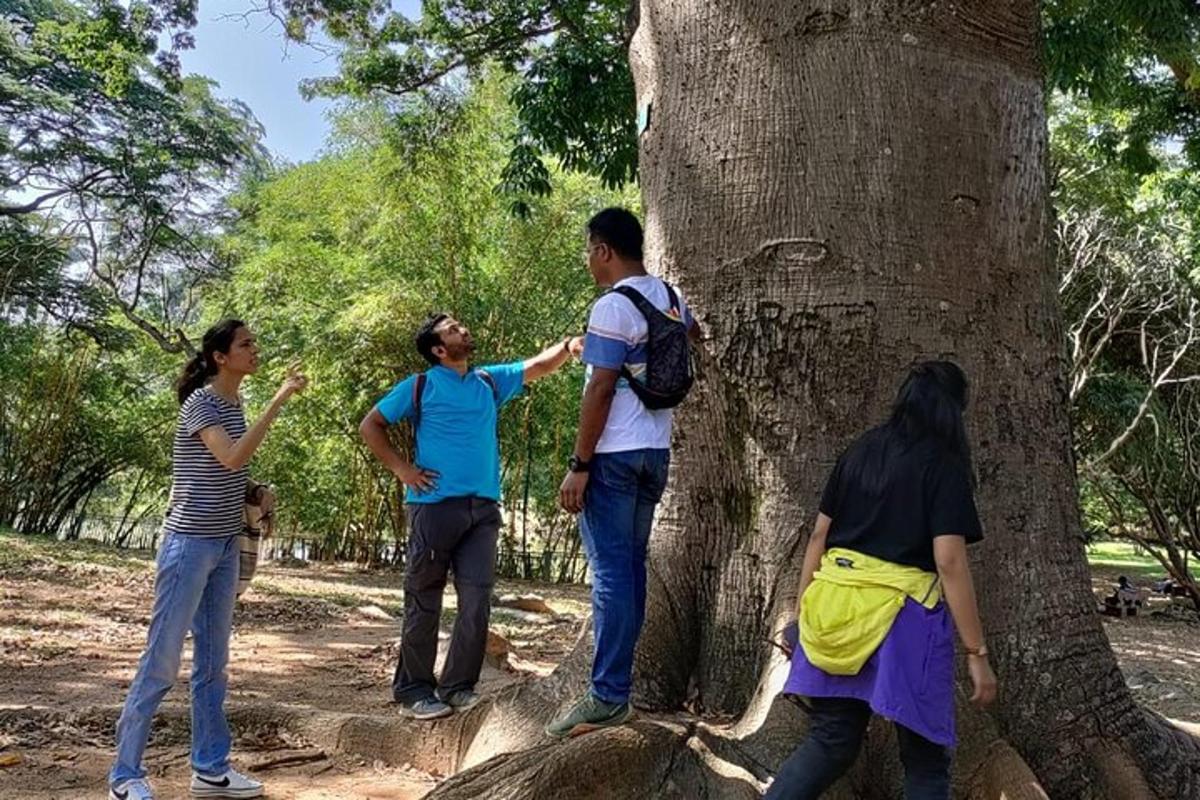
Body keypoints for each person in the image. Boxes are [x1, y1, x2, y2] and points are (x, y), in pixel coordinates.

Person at [767, 361, 998, 800]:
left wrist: (802, 615)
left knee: (831, 742)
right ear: (953, 410)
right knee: (926, 760)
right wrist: (976, 652)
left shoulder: (861, 450)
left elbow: (819, 535)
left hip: (833, 608)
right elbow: (949, 560)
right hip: (903, 618)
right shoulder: (943, 465)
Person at [109, 320, 308, 800]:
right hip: (188, 546)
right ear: (221, 356)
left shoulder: (234, 404)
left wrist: (258, 494)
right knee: (162, 659)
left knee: (214, 663)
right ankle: (124, 776)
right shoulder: (202, 403)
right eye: (246, 345)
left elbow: (229, 475)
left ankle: (211, 768)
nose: (254, 350)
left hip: (222, 547)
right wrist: (280, 399)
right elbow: (233, 457)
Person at [360, 314, 582, 720]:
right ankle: (413, 691)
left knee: (476, 600)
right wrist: (402, 470)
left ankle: (459, 686)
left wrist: (568, 347)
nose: (463, 329)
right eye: (452, 330)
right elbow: (371, 424)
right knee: (424, 598)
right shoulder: (420, 385)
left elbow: (537, 366)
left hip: (483, 509)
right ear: (439, 350)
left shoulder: (487, 382)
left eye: (462, 325)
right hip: (433, 506)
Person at [547, 207, 700, 738]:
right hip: (655, 453)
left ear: (604, 251)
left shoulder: (613, 305)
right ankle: (615, 689)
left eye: (590, 250)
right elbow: (694, 338)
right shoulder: (673, 299)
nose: (589, 260)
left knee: (612, 578)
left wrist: (579, 465)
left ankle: (608, 695)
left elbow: (601, 388)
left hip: (612, 457)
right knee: (630, 571)